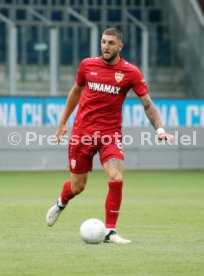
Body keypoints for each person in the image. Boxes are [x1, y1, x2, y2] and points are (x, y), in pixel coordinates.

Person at [46, 27, 174, 244]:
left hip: (110, 134)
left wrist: (160, 129)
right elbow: (75, 92)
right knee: (78, 186)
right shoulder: (87, 65)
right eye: (104, 42)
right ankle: (60, 203)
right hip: (82, 132)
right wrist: (63, 121)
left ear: (120, 46)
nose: (106, 46)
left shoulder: (130, 72)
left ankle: (110, 232)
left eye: (111, 43)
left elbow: (147, 104)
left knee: (116, 177)